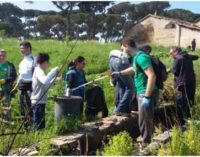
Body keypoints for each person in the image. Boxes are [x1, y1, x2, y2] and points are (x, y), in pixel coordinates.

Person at [112, 36, 157, 148]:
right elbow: (134, 69)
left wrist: (147, 96)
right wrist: (120, 73)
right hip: (142, 92)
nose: (122, 51)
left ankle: (146, 144)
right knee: (144, 119)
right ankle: (147, 140)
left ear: (127, 46)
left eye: (122, 48)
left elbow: (152, 76)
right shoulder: (137, 57)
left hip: (145, 92)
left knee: (144, 120)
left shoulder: (141, 57)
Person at [169, 47, 199, 126]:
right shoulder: (187, 56)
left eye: (171, 53)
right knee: (189, 101)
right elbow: (196, 57)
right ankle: (190, 120)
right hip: (191, 82)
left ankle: (182, 123)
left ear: (176, 51)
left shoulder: (177, 58)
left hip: (182, 84)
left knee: (181, 103)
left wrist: (170, 69)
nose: (171, 55)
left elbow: (175, 71)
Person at [11, 41, 36, 129]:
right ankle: (25, 127)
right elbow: (20, 76)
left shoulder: (34, 59)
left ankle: (32, 127)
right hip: (21, 88)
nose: (21, 50)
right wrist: (15, 87)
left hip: (30, 87)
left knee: (30, 108)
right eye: (20, 48)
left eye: (23, 48)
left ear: (28, 48)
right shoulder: (22, 61)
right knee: (22, 108)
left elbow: (37, 75)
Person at [31, 53, 58, 130]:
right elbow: (45, 81)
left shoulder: (41, 71)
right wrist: (52, 72)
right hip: (37, 101)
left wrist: (54, 80)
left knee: (41, 123)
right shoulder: (38, 71)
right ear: (44, 62)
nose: (48, 64)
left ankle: (40, 138)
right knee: (38, 124)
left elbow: (46, 85)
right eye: (48, 62)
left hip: (41, 101)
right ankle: (35, 140)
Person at [109, 48, 134, 116]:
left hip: (111, 60)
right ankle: (121, 109)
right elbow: (132, 69)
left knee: (122, 86)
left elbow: (111, 70)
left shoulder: (114, 52)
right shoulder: (127, 53)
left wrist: (113, 78)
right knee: (131, 87)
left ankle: (122, 109)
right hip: (121, 61)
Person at [0, 49, 17, 120]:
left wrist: (5, 80)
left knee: (6, 107)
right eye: (0, 55)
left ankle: (7, 124)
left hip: (6, 90)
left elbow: (14, 76)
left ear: (6, 56)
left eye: (3, 55)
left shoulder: (10, 65)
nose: (2, 57)